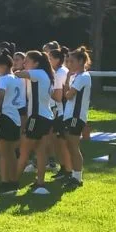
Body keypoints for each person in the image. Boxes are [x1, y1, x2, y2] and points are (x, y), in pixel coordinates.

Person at [15, 50, 55, 194]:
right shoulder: (45, 74)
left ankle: (12, 183)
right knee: (40, 152)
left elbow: (18, 74)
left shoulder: (37, 73)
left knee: (24, 151)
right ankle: (40, 183)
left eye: (27, 60)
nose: (24, 63)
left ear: (36, 63)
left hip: (37, 118)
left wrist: (15, 68)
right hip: (46, 117)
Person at [62, 46, 93, 188]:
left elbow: (68, 95)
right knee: (70, 146)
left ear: (81, 61)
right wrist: (68, 78)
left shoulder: (84, 77)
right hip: (70, 115)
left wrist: (67, 88)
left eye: (72, 61)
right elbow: (67, 93)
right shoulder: (76, 77)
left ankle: (77, 177)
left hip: (76, 116)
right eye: (68, 61)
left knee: (74, 147)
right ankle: (74, 175)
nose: (69, 64)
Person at [0, 53, 23, 193]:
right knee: (10, 152)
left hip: (5, 116)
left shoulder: (4, 78)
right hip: (15, 117)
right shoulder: (16, 78)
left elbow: (0, 96)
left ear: (4, 66)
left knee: (4, 152)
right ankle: (10, 181)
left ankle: (10, 182)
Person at [48, 45, 72, 178]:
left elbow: (58, 96)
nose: (48, 61)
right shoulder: (60, 71)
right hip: (59, 110)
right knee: (58, 141)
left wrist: (45, 91)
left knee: (62, 142)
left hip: (61, 111)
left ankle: (68, 170)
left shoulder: (60, 73)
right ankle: (64, 168)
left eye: (50, 58)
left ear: (57, 60)